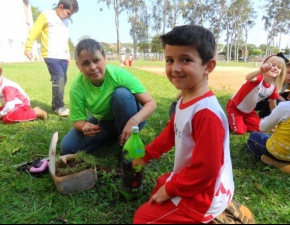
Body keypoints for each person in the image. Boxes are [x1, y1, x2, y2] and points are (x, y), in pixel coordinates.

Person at [132, 25, 234, 224]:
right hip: (197, 181)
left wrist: (171, 189)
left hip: (205, 196)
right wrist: (147, 154)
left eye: (186, 60)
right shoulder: (184, 101)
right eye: (170, 60)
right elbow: (171, 132)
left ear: (208, 66)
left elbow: (206, 169)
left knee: (142, 219)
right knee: (159, 186)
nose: (175, 68)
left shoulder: (206, 114)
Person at [60, 39, 156, 155]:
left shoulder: (118, 75)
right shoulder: (77, 87)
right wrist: (84, 126)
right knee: (67, 147)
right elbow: (77, 120)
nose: (92, 67)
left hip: (132, 119)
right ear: (78, 66)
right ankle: (114, 136)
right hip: (105, 122)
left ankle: (127, 144)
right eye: (86, 63)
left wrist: (133, 121)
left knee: (121, 94)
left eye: (96, 60)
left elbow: (150, 103)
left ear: (105, 58)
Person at [24, 0, 79, 117]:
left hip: (63, 56)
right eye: (68, 13)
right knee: (59, 78)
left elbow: (65, 38)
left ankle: (56, 104)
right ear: (61, 6)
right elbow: (34, 31)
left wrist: (68, 54)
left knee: (62, 80)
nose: (69, 16)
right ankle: (59, 106)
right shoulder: (46, 14)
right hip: (51, 55)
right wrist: (28, 47)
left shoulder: (67, 21)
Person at [226, 55, 286, 135]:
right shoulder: (259, 78)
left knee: (261, 129)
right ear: (265, 65)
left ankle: (240, 121)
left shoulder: (273, 87)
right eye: (273, 65)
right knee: (239, 131)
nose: (276, 68)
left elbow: (273, 105)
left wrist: (275, 119)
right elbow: (248, 77)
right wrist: (260, 71)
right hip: (235, 107)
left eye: (279, 67)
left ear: (281, 72)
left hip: (249, 110)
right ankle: (234, 122)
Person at [247, 101, 290, 174]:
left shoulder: (285, 106)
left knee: (252, 137)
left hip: (277, 151)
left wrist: (263, 121)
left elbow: (263, 128)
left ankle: (276, 163)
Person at [254, 52, 290, 118]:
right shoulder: (272, 79)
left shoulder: (287, 82)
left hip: (270, 100)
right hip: (256, 101)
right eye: (288, 72)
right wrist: (279, 97)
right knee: (276, 99)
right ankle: (262, 118)